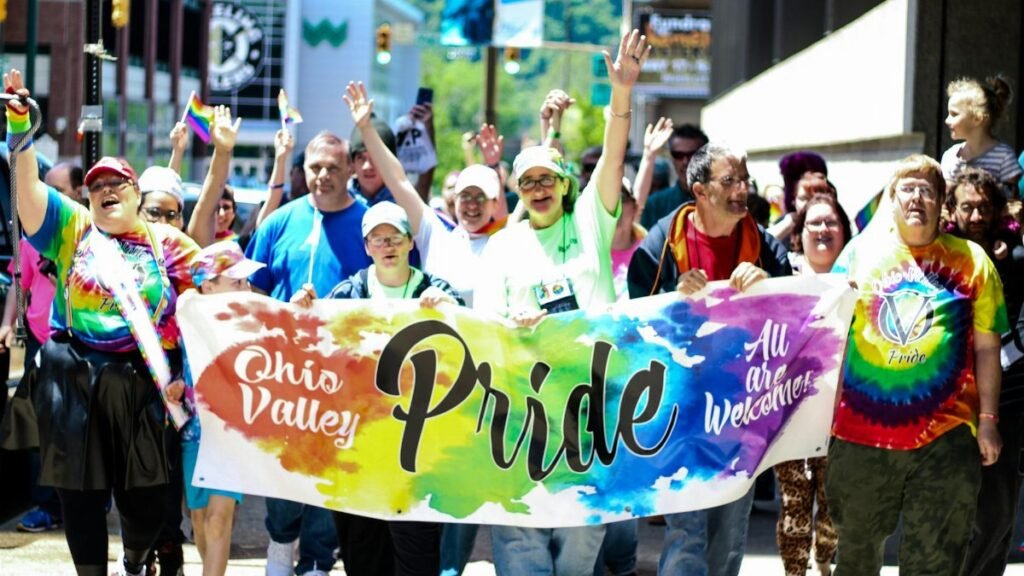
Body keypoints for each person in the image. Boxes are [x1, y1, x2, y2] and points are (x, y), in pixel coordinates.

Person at [1, 69, 201, 576]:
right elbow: (28, 196)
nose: (105, 190)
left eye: (117, 184)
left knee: (146, 501)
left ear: (136, 194)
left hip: (144, 383)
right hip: (75, 380)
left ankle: (135, 560)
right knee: (79, 495)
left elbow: (216, 290)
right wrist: (20, 126)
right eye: (96, 186)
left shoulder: (168, 244)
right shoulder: (74, 228)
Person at [473, 28, 648, 576]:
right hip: (520, 419)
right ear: (518, 192)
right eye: (527, 182)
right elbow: (483, 326)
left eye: (547, 178)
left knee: (580, 546)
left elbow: (613, 158)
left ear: (565, 184)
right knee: (521, 545)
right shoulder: (502, 246)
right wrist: (514, 323)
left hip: (591, 416)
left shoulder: (591, 222)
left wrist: (622, 92)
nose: (538, 188)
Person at [825, 154, 1006, 575]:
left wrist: (988, 420)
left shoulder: (973, 260)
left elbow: (987, 349)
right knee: (855, 557)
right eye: (907, 188)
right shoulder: (857, 255)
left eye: (927, 190)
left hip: (945, 437)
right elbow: (827, 336)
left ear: (942, 203)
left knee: (937, 562)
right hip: (861, 434)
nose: (917, 198)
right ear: (891, 200)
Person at [627, 141, 790, 576]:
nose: (742, 189)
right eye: (729, 180)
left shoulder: (765, 248)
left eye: (745, 180)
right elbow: (633, 322)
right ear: (698, 190)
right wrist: (671, 296)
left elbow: (794, 317)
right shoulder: (662, 243)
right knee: (686, 533)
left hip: (743, 412)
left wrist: (768, 286)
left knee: (729, 535)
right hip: (681, 413)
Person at [291, 201, 461, 576]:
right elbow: (312, 349)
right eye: (378, 239)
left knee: (417, 559)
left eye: (395, 237)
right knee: (363, 557)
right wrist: (302, 310)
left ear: (411, 242)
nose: (388, 246)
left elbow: (469, 349)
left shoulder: (436, 290)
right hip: (358, 451)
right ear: (366, 246)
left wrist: (454, 311)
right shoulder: (347, 294)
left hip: (416, 453)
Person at [245, 129, 365, 576]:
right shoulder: (280, 222)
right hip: (286, 374)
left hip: (345, 374)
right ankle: (280, 543)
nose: (323, 175)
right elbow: (252, 291)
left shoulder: (369, 223)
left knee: (330, 467)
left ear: (350, 168)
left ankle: (317, 559)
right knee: (284, 463)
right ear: (304, 169)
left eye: (333, 167)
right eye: (316, 167)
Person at [343, 81, 506, 308]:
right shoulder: (435, 233)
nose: (472, 205)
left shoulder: (504, 244)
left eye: (480, 198)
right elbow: (398, 180)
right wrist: (366, 128)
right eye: (465, 196)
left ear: (494, 204)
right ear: (454, 199)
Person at [164, 240, 261, 576]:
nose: (246, 288)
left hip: (232, 433)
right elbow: (182, 364)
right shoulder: (187, 316)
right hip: (194, 432)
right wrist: (179, 384)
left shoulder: (254, 320)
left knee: (219, 519)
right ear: (208, 286)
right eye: (236, 281)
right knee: (200, 517)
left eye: (246, 281)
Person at [945, 169, 1024, 576]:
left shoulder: (1014, 258)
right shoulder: (937, 257)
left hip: (1006, 399)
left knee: (997, 512)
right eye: (967, 207)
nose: (976, 216)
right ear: (951, 211)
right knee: (951, 509)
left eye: (984, 207)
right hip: (947, 400)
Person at [773, 193, 851, 576]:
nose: (822, 229)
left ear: (845, 232)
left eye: (830, 222)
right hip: (790, 411)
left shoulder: (862, 276)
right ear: (799, 233)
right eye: (813, 223)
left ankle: (824, 558)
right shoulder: (779, 277)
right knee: (795, 507)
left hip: (844, 413)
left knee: (832, 504)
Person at [2, 162, 82, 533]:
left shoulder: (89, 232)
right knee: (40, 425)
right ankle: (46, 505)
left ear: (79, 192)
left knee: (79, 427)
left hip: (81, 343)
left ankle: (86, 500)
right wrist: (7, 323)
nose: (48, 197)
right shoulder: (31, 236)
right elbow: (19, 284)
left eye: (58, 190)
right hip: (40, 341)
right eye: (44, 188)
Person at [942, 76, 1022, 196]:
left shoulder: (1004, 157)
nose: (947, 120)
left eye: (954, 114)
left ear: (977, 119)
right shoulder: (950, 157)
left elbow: (1012, 202)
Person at [639, 123, 708, 230]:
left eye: (691, 154)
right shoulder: (655, 204)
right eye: (678, 155)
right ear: (672, 158)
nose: (685, 161)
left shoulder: (719, 200)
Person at [767, 151, 829, 240]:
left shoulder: (834, 221)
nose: (810, 204)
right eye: (804, 198)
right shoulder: (786, 225)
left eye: (816, 198)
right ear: (794, 200)